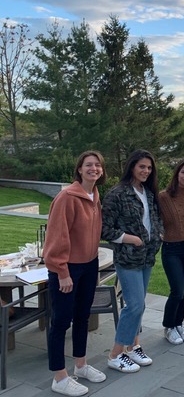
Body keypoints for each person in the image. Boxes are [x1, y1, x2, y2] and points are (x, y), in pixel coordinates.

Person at [44, 151, 108, 396]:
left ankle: (80, 365)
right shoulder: (66, 197)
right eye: (88, 165)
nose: (94, 168)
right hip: (67, 269)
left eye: (97, 165)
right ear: (79, 169)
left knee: (82, 317)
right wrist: (62, 271)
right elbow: (56, 236)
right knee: (61, 322)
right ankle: (59, 377)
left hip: (89, 265)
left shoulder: (94, 195)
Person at [102, 150, 163, 373]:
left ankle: (134, 345)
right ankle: (115, 354)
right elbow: (105, 228)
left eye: (149, 168)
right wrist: (131, 239)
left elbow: (154, 218)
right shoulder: (117, 194)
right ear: (132, 167)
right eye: (142, 167)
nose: (146, 171)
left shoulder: (147, 192)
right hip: (127, 258)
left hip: (147, 256)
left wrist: (159, 234)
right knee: (135, 305)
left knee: (140, 304)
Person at [158, 159, 184, 345]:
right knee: (177, 290)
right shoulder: (164, 196)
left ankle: (178, 324)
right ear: (177, 173)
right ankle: (168, 326)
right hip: (171, 248)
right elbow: (153, 218)